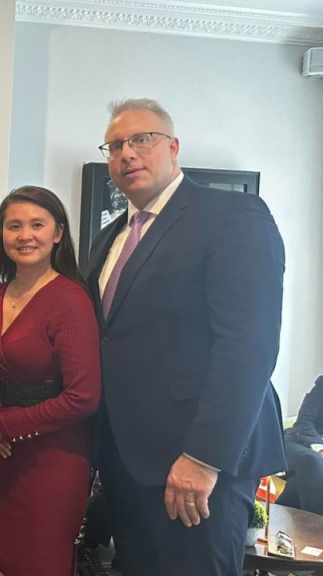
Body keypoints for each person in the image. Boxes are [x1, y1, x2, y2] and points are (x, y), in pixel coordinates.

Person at [87, 98, 286, 575]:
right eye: (115, 145)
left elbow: (248, 345)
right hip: (127, 465)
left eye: (142, 139)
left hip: (196, 467)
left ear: (173, 147)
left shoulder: (232, 215)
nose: (127, 153)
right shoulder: (108, 238)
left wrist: (203, 458)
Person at [0, 186, 101, 575]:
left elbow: (84, 396)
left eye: (37, 225)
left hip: (52, 457)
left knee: (42, 562)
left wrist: (6, 425)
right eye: (14, 226)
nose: (25, 235)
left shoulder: (70, 299)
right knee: (5, 558)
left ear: (58, 233)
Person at [276, 375, 323, 514]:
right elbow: (304, 421)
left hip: (311, 468)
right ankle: (318, 527)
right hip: (296, 443)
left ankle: (277, 519)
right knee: (312, 461)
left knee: (299, 483)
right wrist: (319, 448)